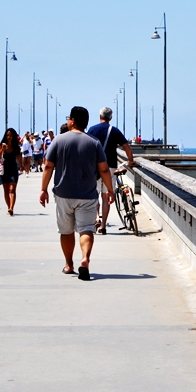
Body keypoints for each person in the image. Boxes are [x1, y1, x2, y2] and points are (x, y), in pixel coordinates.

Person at [40, 106, 114, 281]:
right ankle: (85, 258)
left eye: (68, 117)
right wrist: (110, 190)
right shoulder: (94, 142)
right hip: (87, 194)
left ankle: (69, 264)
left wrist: (43, 189)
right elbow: (103, 170)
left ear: (72, 120)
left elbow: (48, 166)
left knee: (66, 231)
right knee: (86, 229)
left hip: (63, 193)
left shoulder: (58, 140)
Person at [87, 107, 135, 235]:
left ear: (99, 116)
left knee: (94, 195)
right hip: (110, 167)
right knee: (106, 196)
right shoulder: (114, 131)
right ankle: (103, 226)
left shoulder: (92, 130)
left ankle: (97, 217)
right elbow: (127, 148)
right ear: (111, 118)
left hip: (95, 166)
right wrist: (130, 161)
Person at [0, 128, 22, 216]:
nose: (9, 137)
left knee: (12, 189)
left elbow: (19, 158)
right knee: (6, 190)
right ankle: (9, 207)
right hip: (4, 170)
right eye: (7, 135)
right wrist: (2, 150)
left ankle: (11, 208)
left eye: (11, 135)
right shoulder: (2, 145)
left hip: (13, 170)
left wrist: (22, 167)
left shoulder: (16, 147)